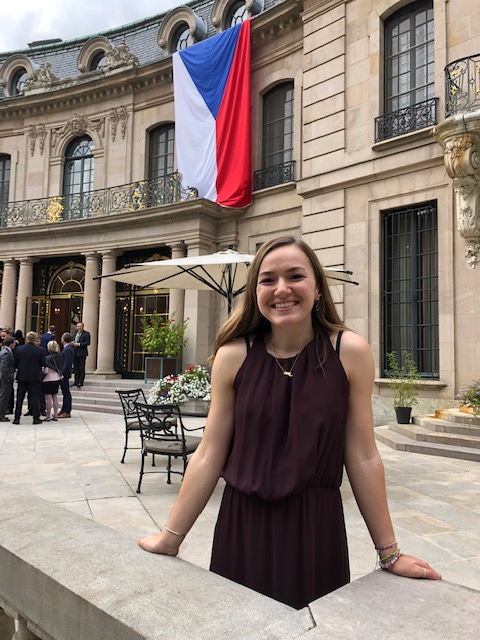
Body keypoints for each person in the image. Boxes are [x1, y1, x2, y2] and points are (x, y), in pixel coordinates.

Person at [137, 236, 442, 610]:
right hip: (242, 527)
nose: (281, 289)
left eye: (295, 276)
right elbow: (208, 455)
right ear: (255, 293)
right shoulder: (233, 356)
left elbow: (363, 456)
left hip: (316, 531)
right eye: (268, 280)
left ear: (318, 288)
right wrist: (171, 537)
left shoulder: (349, 352)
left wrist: (390, 553)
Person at [13, 331, 46, 425]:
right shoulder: (40, 350)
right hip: (35, 377)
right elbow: (43, 363)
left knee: (20, 398)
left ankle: (17, 418)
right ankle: (36, 418)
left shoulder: (19, 349)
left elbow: (15, 363)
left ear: (27, 339)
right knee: (35, 397)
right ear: (35, 339)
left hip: (22, 376)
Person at [41, 340, 64, 422]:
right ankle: (55, 415)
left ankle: (48, 416)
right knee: (55, 397)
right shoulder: (60, 357)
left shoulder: (47, 358)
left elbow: (46, 371)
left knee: (48, 398)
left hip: (48, 379)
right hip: (57, 378)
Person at [58, 333, 75, 419]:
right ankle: (63, 409)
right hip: (64, 374)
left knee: (66, 392)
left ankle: (67, 411)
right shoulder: (67, 348)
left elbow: (67, 364)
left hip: (64, 374)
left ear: (63, 339)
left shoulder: (68, 349)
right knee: (65, 392)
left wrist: (62, 373)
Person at [0, 336, 16, 422]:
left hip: (5, 377)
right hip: (5, 378)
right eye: (14, 343)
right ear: (11, 344)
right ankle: (1, 414)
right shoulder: (6, 353)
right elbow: (4, 367)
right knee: (4, 396)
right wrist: (8, 377)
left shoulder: (6, 351)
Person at [72, 322, 90, 388]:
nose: (79, 327)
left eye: (80, 326)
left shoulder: (86, 334)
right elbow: (72, 339)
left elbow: (87, 342)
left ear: (83, 327)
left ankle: (80, 382)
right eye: (78, 326)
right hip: (75, 352)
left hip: (82, 353)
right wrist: (72, 342)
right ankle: (76, 381)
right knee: (76, 368)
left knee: (81, 368)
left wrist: (79, 344)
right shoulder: (75, 333)